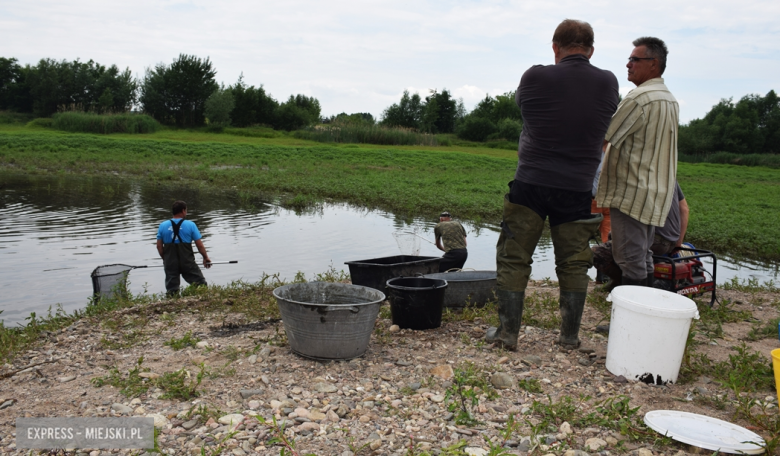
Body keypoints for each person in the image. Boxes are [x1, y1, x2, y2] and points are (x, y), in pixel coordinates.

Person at [486, 19, 619, 351]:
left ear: (555, 47)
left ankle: (508, 334)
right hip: (576, 187)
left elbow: (525, 109)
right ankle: (569, 336)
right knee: (574, 261)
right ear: (590, 50)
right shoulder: (608, 82)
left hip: (531, 181)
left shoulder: (535, 76)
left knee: (514, 256)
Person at [595, 36, 679, 287]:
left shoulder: (639, 98)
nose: (628, 64)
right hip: (653, 191)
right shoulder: (668, 98)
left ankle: (633, 315)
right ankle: (646, 306)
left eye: (634, 59)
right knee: (643, 253)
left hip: (631, 191)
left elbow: (605, 136)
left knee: (628, 255)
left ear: (654, 64)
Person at [593, 181, 689, 291]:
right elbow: (684, 209)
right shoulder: (668, 177)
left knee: (598, 254)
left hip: (654, 239)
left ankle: (626, 284)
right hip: (671, 240)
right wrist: (679, 242)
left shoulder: (636, 181)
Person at [156, 200, 211, 295]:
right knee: (201, 285)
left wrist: (166, 259)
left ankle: (172, 305)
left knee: (172, 290)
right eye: (186, 210)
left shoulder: (162, 226)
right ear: (183, 210)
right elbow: (200, 245)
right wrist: (205, 257)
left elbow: (159, 246)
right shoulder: (191, 225)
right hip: (187, 263)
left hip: (170, 263)